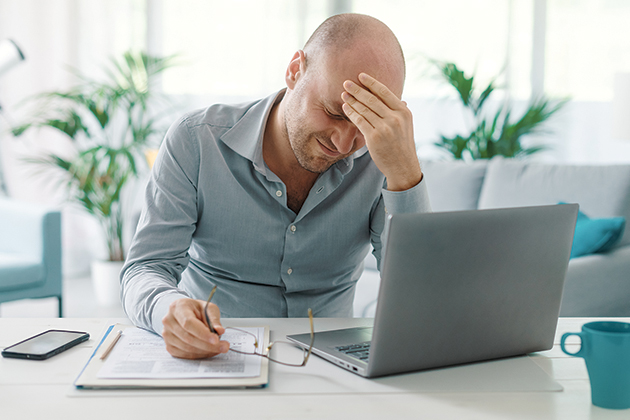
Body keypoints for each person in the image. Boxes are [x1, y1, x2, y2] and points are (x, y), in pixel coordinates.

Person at [121, 13, 431, 359]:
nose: (345, 144)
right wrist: (170, 308)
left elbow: (421, 297)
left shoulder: (381, 157)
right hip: (219, 354)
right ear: (295, 70)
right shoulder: (196, 140)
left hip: (335, 362)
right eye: (334, 112)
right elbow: (145, 268)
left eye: (363, 122)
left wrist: (405, 177)